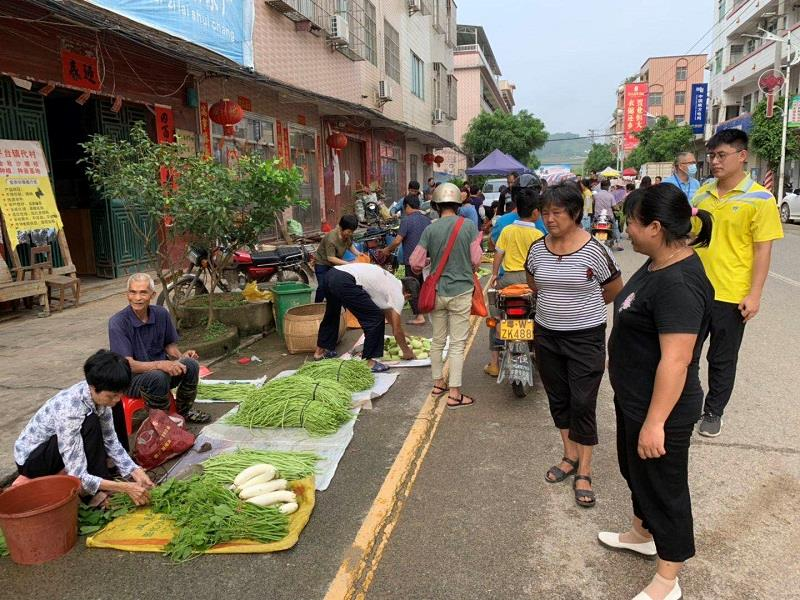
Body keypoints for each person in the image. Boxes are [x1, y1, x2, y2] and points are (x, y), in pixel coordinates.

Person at [601, 184, 714, 600]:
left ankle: (668, 579)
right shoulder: (657, 263)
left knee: (665, 488)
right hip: (634, 397)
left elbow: (677, 360)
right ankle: (641, 532)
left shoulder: (678, 284)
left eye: (631, 221)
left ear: (655, 226)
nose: (625, 228)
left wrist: (655, 423)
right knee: (636, 473)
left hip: (661, 408)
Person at [525, 183, 623, 508]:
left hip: (585, 337)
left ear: (576, 213)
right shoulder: (537, 249)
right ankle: (568, 456)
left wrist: (581, 309)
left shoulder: (595, 250)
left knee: (583, 401)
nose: (549, 219)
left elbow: (612, 290)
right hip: (547, 335)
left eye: (557, 212)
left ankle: (585, 468)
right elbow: (534, 283)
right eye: (545, 212)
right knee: (559, 397)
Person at [691, 129, 783, 437]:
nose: (715, 162)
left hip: (731, 294)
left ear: (742, 156)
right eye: (712, 156)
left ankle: (714, 411)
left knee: (721, 357)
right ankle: (688, 404)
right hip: (694, 291)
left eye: (721, 155)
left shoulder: (760, 198)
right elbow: (690, 238)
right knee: (685, 354)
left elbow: (762, 250)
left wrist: (754, 294)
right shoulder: (702, 194)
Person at [14, 350, 154, 505]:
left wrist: (135, 471)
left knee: (98, 417)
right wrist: (125, 487)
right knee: (90, 421)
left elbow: (111, 441)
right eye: (112, 396)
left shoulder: (98, 396)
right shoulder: (70, 410)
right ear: (93, 387)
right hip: (33, 460)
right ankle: (91, 495)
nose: (116, 399)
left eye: (119, 394)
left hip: (57, 448)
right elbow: (78, 475)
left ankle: (102, 479)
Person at [108, 273, 208, 448]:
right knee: (157, 376)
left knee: (191, 365)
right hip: (132, 380)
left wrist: (181, 357)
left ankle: (182, 413)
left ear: (152, 295)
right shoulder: (118, 322)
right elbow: (127, 364)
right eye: (132, 292)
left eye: (143, 293)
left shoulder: (161, 314)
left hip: (161, 373)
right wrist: (161, 365)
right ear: (127, 294)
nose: (137, 298)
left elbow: (169, 346)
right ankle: (162, 425)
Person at [410, 182, 483, 408]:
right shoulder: (468, 226)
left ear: (436, 205)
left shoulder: (430, 229)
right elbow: (476, 260)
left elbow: (415, 262)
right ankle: (454, 394)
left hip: (437, 292)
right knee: (457, 343)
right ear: (457, 204)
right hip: (461, 291)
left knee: (438, 341)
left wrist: (432, 261)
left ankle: (438, 384)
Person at [485, 188, 544, 377]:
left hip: (508, 279)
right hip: (530, 281)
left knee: (496, 315)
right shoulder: (538, 235)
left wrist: (494, 275)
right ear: (536, 212)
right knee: (541, 313)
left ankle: (494, 363)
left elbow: (498, 254)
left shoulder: (507, 230)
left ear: (517, 209)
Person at [314, 263, 416, 372]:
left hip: (331, 274)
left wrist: (400, 331)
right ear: (408, 294)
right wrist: (406, 351)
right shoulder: (398, 294)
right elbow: (396, 330)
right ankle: (370, 362)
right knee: (375, 318)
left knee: (332, 313)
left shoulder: (391, 281)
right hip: (345, 281)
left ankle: (320, 352)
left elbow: (387, 311)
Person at [380, 195, 431, 325]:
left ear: (407, 206)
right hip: (426, 260)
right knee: (423, 285)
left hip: (412, 261)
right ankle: (425, 309)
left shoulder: (406, 221)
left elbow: (397, 241)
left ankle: (419, 316)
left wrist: (387, 250)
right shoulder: (427, 220)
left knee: (412, 286)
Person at [313, 215, 361, 302]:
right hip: (322, 263)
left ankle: (331, 304)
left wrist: (358, 254)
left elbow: (349, 245)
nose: (351, 234)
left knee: (334, 285)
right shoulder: (331, 238)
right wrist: (349, 264)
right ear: (342, 227)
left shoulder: (348, 235)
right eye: (349, 231)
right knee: (322, 286)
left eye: (352, 232)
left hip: (335, 263)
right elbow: (331, 258)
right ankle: (316, 306)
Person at [594, 179, 624, 251]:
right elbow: (614, 206)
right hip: (609, 217)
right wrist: (618, 208)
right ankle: (618, 244)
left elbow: (593, 203)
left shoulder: (596, 195)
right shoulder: (610, 196)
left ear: (601, 187)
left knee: (593, 228)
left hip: (598, 217)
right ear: (608, 186)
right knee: (615, 228)